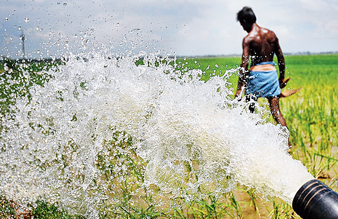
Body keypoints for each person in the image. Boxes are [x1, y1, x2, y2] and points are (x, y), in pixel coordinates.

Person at [235, 6, 289, 132]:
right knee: (276, 113)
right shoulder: (271, 35)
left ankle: (254, 142)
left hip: (256, 76)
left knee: (251, 112)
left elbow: (244, 64)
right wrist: (281, 78)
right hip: (271, 74)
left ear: (244, 22)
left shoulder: (248, 39)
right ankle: (288, 145)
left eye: (242, 25)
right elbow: (280, 57)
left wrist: (239, 88)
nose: (243, 28)